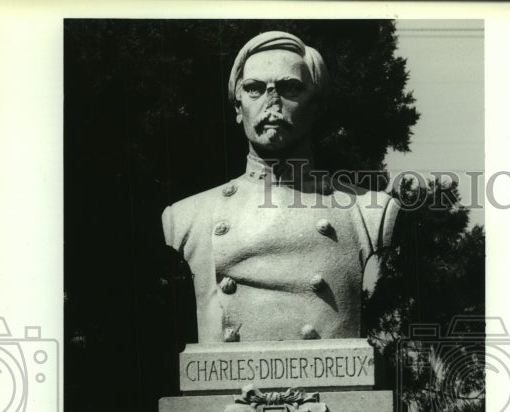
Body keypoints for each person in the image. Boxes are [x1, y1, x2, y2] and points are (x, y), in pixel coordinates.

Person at [161, 30, 400, 344]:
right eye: (255, 89)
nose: (271, 103)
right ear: (237, 106)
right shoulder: (187, 216)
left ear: (316, 106)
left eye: (289, 88)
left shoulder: (368, 210)